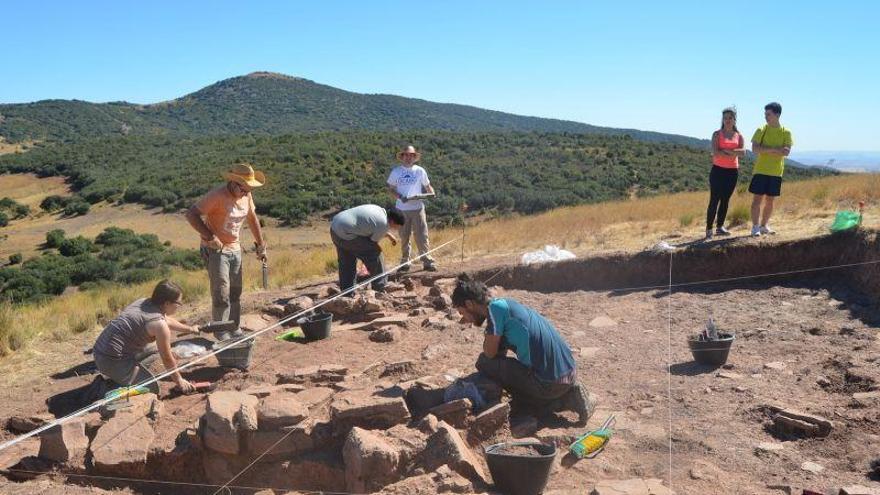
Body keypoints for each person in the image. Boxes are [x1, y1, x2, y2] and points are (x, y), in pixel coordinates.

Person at [451, 275, 597, 425]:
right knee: (498, 362)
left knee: (485, 363)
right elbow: (500, 349)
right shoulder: (506, 304)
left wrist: (488, 334)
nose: (464, 319)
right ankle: (567, 393)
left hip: (550, 384)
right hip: (568, 374)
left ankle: (563, 400)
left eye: (462, 313)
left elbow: (489, 353)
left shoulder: (495, 310)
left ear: (469, 304)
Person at [185, 163, 267, 335]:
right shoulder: (217, 195)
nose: (247, 193)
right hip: (216, 250)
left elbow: (252, 219)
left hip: (234, 249)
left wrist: (260, 245)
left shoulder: (247, 195)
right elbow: (191, 214)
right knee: (221, 293)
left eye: (249, 190)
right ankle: (221, 332)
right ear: (234, 183)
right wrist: (209, 236)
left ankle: (233, 328)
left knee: (235, 292)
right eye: (244, 189)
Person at [93, 280, 196, 394]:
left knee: (156, 349)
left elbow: (166, 319)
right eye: (179, 303)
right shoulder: (159, 325)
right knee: (152, 389)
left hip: (100, 349)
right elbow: (167, 359)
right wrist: (179, 380)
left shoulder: (144, 302)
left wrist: (190, 329)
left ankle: (123, 374)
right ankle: (105, 388)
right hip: (110, 360)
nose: (179, 306)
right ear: (167, 303)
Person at [330, 204, 404, 294]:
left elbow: (369, 227)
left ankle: (347, 292)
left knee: (347, 261)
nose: (396, 229)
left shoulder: (379, 210)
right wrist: (372, 258)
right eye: (397, 226)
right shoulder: (384, 224)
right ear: (392, 221)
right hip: (347, 232)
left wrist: (388, 235)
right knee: (376, 254)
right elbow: (372, 243)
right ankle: (380, 288)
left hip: (335, 228)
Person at [387, 145, 437, 272]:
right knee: (404, 236)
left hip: (418, 207)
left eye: (411, 155)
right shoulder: (396, 172)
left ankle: (427, 261)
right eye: (406, 155)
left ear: (414, 157)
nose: (408, 157)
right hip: (401, 209)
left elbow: (428, 186)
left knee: (422, 235)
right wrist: (400, 196)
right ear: (402, 157)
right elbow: (391, 189)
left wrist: (432, 193)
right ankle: (405, 262)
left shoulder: (420, 171)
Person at [749, 102, 793, 236]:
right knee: (757, 200)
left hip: (776, 172)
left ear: (777, 114)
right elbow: (755, 149)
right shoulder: (761, 130)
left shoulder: (786, 132)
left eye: (768, 114)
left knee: (770, 200)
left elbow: (786, 152)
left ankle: (764, 226)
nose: (765, 117)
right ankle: (755, 227)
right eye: (765, 114)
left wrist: (766, 150)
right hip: (761, 170)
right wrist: (775, 149)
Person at [705, 107, 746, 240]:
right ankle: (709, 229)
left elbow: (743, 153)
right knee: (714, 199)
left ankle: (720, 227)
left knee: (725, 200)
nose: (727, 120)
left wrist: (727, 152)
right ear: (722, 120)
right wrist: (734, 152)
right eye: (725, 118)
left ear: (735, 120)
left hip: (732, 172)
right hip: (718, 170)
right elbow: (715, 152)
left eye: (730, 118)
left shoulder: (739, 136)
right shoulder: (717, 134)